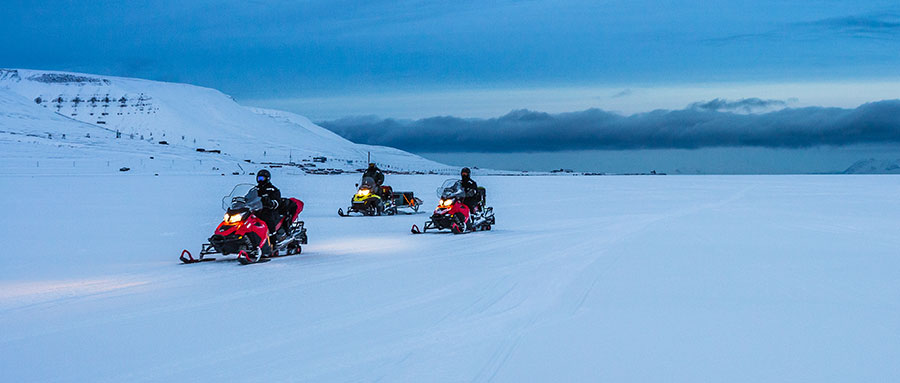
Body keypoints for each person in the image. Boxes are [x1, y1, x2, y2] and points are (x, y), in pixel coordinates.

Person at [254, 169, 282, 243]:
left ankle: (273, 241)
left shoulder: (272, 189)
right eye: (259, 178)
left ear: (267, 178)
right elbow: (249, 197)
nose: (260, 180)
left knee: (268, 220)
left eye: (262, 178)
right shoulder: (255, 189)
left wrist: (270, 202)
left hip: (269, 211)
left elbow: (276, 202)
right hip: (257, 210)